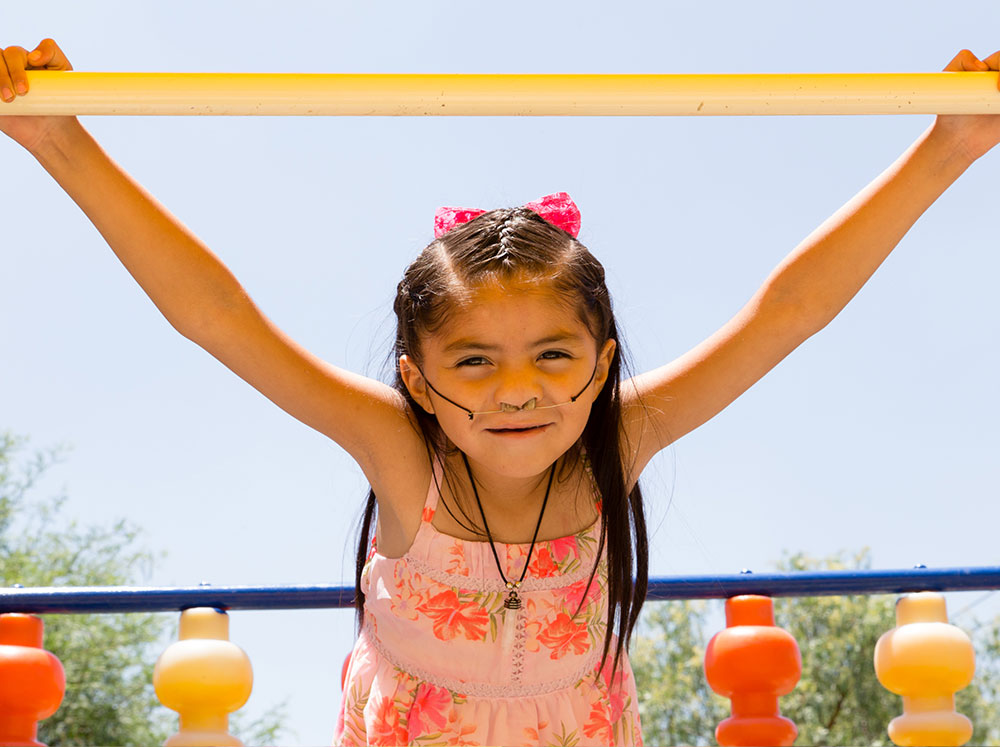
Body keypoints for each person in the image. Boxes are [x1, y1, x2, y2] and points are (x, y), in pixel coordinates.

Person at [1, 38, 998, 747]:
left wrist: (947, 149)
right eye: (473, 360)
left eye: (553, 357)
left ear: (603, 366)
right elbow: (218, 315)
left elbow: (787, 313)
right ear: (418, 382)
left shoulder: (624, 438)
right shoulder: (400, 454)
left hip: (581, 728)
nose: (516, 390)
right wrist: (63, 145)